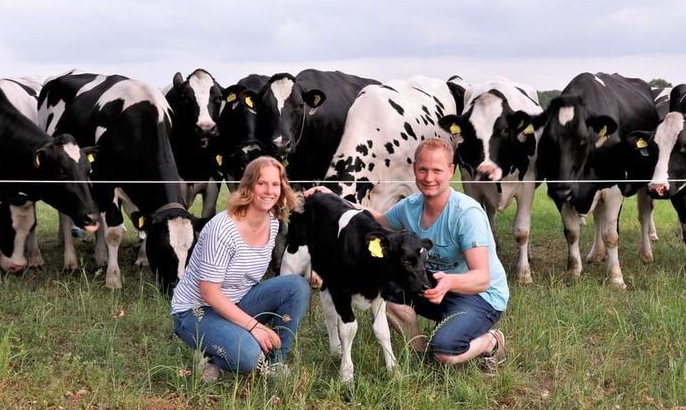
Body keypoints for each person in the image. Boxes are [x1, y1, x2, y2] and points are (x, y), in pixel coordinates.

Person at [307, 137, 508, 371]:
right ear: (414, 169)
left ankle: (491, 341)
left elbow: (482, 278)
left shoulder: (466, 214)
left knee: (445, 350)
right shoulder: (411, 206)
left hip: (478, 295)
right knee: (383, 287)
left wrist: (449, 282)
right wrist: (333, 199)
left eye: (437, 170)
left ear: (451, 171)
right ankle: (418, 348)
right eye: (423, 170)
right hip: (433, 285)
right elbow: (377, 220)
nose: (429, 178)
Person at [171, 156, 311, 381]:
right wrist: (253, 325)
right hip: (197, 310)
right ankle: (210, 356)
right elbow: (209, 292)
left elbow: (307, 206)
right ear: (247, 187)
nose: (269, 191)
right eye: (261, 183)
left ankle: (275, 363)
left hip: (239, 301)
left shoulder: (273, 222)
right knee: (249, 357)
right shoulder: (223, 229)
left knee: (297, 286)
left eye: (275, 184)